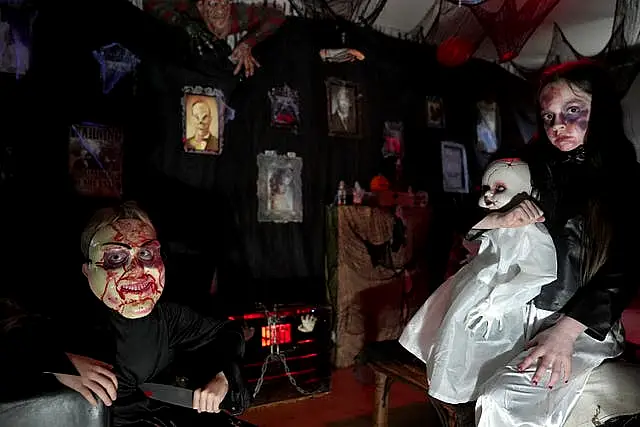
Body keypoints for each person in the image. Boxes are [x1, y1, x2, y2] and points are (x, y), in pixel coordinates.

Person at [469, 60, 640, 426]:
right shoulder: (529, 166)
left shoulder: (627, 179)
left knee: (498, 400)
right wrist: (497, 218)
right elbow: (467, 214)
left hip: (582, 327)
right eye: (547, 117)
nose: (557, 125)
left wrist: (565, 333)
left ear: (602, 109)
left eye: (572, 110)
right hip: (517, 316)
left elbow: (626, 266)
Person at [76, 201, 249, 426]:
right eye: (116, 257)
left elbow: (227, 332)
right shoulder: (73, 318)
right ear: (88, 271)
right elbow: (19, 342)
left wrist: (224, 376)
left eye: (146, 253)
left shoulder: (167, 318)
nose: (138, 270)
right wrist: (59, 366)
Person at [399, 158, 557, 404]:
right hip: (476, 287)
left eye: (500, 189)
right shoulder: (498, 220)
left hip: (498, 298)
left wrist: (498, 303)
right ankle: (451, 380)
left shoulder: (530, 231)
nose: (490, 197)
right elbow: (472, 235)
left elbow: (538, 273)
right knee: (455, 334)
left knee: (483, 346)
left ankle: (470, 388)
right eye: (487, 190)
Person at [144, 0, 285, 77]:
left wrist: (247, 43)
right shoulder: (190, 8)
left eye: (223, 4)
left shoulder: (238, 14)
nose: (220, 10)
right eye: (213, 4)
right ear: (201, 7)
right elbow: (151, 2)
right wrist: (181, 22)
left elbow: (276, 16)